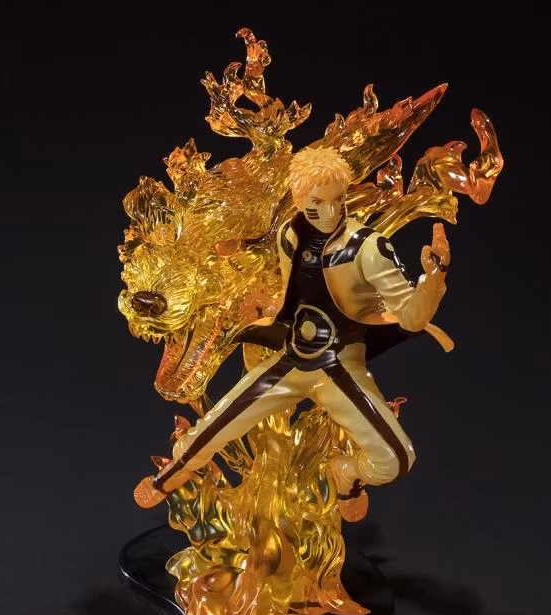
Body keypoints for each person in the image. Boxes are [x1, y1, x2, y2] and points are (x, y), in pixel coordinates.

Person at [135, 146, 451, 518]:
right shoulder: (290, 236)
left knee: (396, 459)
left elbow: (411, 319)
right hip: (292, 357)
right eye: (317, 202)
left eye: (338, 200)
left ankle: (347, 476)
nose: (330, 212)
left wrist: (433, 280)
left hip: (339, 364)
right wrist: (268, 308)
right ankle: (172, 473)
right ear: (300, 199)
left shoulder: (368, 249)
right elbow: (295, 297)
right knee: (215, 425)